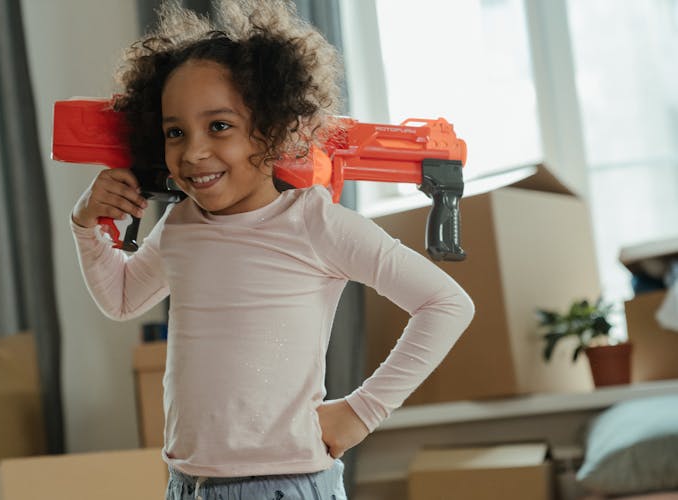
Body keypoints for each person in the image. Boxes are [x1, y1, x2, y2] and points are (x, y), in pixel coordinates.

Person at [70, 1, 474, 498]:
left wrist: (361, 411)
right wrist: (85, 225)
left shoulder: (314, 223)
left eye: (219, 126)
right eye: (176, 132)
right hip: (188, 484)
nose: (193, 151)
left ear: (275, 127)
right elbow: (123, 299)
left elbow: (447, 303)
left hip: (284, 485)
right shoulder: (180, 225)